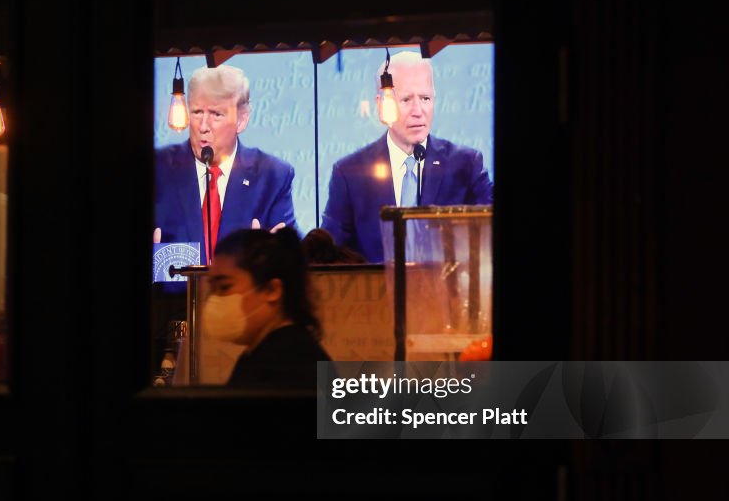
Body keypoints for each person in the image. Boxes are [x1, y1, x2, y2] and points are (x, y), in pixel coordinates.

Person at [321, 51, 493, 263]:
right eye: (406, 100)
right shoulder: (349, 173)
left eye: (425, 98)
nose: (418, 111)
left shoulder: (465, 165)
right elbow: (329, 255)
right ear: (382, 104)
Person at [154, 64, 297, 264]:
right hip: (172, 296)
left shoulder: (272, 177)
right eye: (196, 112)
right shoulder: (157, 170)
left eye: (216, 114)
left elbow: (289, 263)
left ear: (242, 120)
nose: (203, 126)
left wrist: (273, 257)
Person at [204, 228, 333, 388]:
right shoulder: (257, 355)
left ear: (272, 290)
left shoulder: (293, 364)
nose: (215, 299)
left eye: (224, 287)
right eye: (212, 289)